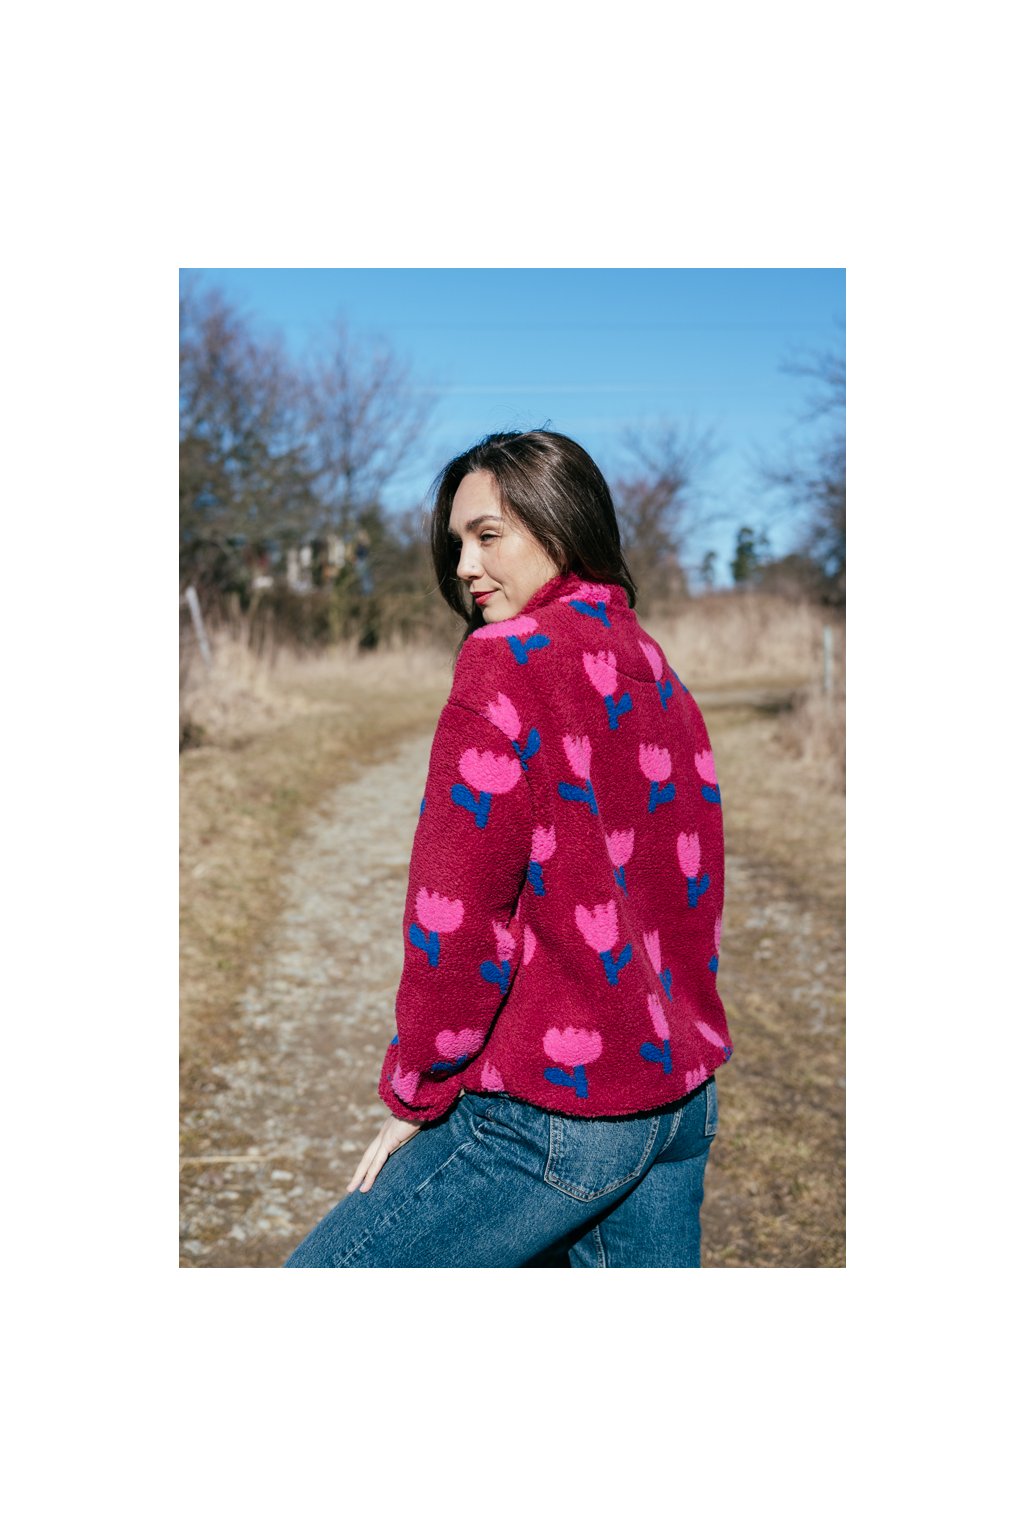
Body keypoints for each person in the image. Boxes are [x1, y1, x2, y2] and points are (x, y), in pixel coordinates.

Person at [284, 429, 732, 1268]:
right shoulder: (656, 671)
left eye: (488, 535)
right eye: (458, 542)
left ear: (561, 525)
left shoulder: (506, 663)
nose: (464, 565)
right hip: (680, 1102)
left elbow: (456, 914)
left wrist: (418, 1089)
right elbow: (691, 897)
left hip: (555, 1114)